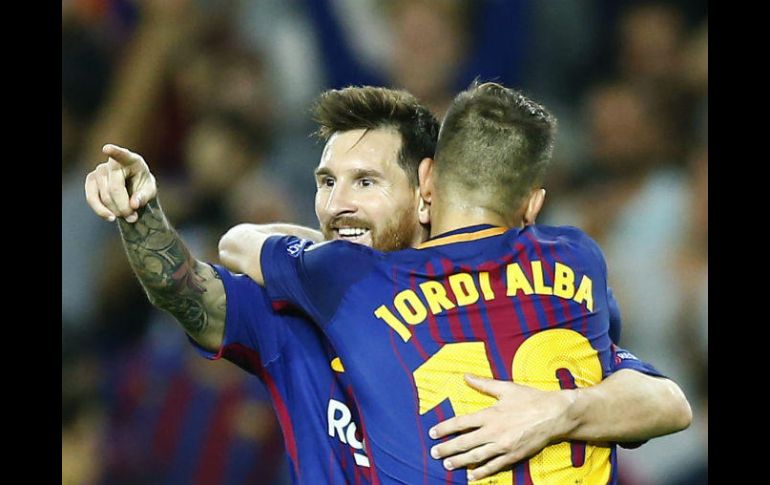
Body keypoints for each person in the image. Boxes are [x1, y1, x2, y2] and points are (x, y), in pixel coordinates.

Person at [85, 86, 690, 483]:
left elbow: (661, 400)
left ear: (425, 191)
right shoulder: (294, 308)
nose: (338, 204)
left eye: (366, 182)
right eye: (326, 182)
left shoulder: (516, 306)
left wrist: (560, 410)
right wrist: (141, 216)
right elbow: (185, 290)